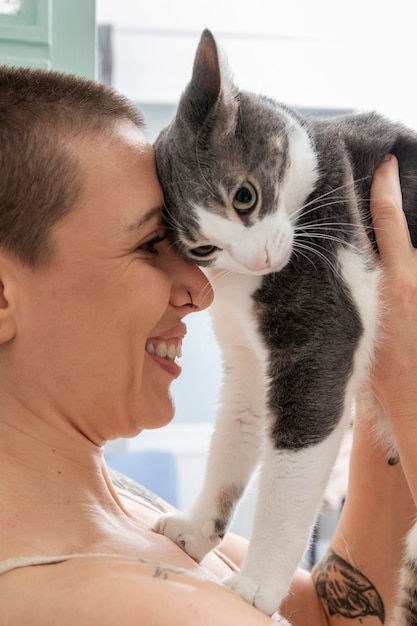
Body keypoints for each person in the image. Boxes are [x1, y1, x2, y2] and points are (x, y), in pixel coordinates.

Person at [0, 65, 415, 626]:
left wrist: (382, 331)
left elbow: (336, 612)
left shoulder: (126, 506)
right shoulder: (119, 602)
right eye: (149, 244)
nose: (201, 291)